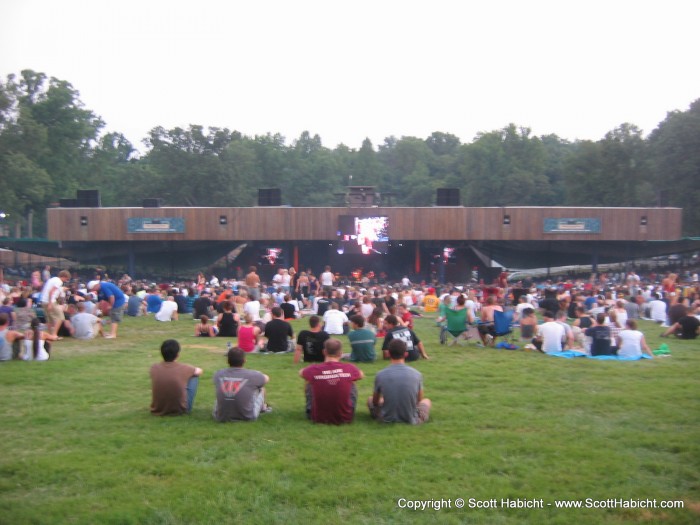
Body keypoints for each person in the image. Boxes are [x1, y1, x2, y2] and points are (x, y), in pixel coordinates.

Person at [300, 338, 363, 424]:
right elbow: (360, 375)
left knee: (309, 382)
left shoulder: (314, 369)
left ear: (324, 352)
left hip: (318, 418)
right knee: (352, 383)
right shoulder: (349, 368)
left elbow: (301, 373)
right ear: (340, 354)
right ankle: (345, 409)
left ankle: (310, 409)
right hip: (345, 418)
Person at [368, 339, 431, 424]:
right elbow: (419, 401)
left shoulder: (380, 374)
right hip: (411, 418)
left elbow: (375, 402)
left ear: (389, 354)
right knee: (426, 401)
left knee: (370, 399)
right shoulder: (417, 374)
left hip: (385, 418)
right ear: (406, 354)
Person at [212, 347, 271, 422]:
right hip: (247, 416)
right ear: (244, 360)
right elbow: (266, 378)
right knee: (261, 389)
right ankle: (263, 408)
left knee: (221, 391)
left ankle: (224, 410)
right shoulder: (253, 375)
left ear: (227, 361)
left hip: (220, 416)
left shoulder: (218, 374)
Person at [150, 339, 203, 416]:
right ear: (177, 355)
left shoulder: (154, 368)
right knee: (194, 376)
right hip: (180, 409)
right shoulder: (185, 368)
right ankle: (185, 406)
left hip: (157, 409)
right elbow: (199, 371)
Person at [39, 269, 71, 337]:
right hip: (50, 301)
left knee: (49, 319)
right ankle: (54, 334)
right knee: (60, 317)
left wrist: (61, 289)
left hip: (43, 300)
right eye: (66, 279)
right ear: (64, 276)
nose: (66, 281)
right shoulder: (59, 281)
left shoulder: (52, 279)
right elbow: (51, 292)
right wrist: (50, 303)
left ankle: (50, 334)